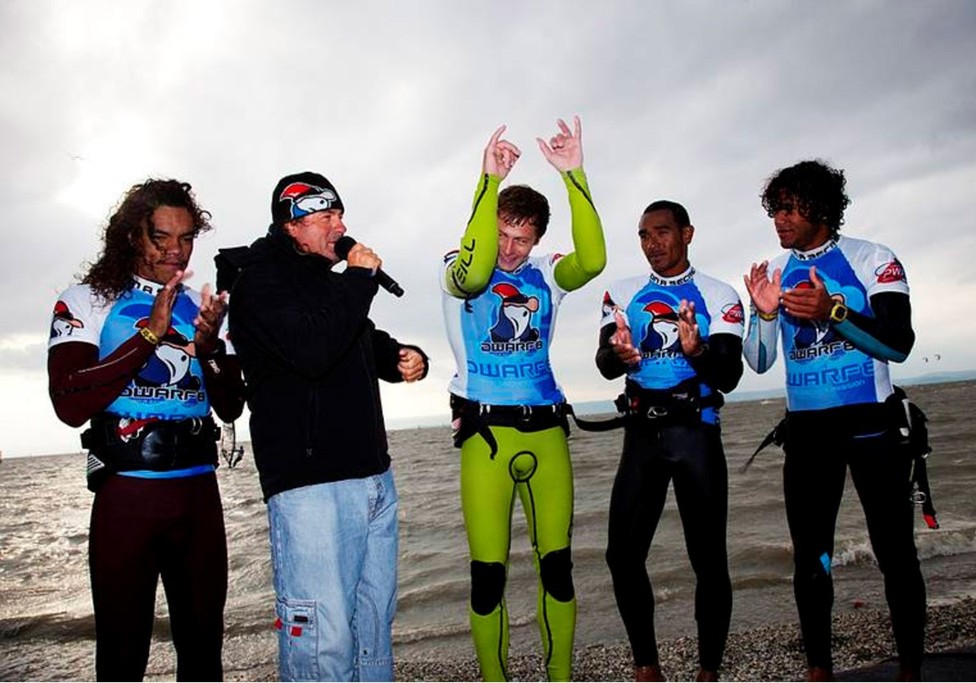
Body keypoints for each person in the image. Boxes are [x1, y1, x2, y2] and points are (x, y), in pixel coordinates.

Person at [224, 171, 428, 682]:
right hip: (311, 487)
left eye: (340, 214)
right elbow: (311, 349)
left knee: (372, 626)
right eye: (327, 216)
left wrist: (400, 356)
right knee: (323, 638)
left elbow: (353, 334)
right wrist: (360, 279)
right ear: (292, 224)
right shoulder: (257, 282)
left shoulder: (330, 284)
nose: (341, 225)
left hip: (372, 477)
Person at [47, 179, 245, 681]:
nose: (175, 251)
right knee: (121, 654)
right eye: (162, 238)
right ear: (134, 235)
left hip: (198, 494)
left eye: (186, 238)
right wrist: (149, 337)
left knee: (203, 652)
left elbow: (231, 406)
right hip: (127, 497)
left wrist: (211, 347)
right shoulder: (87, 300)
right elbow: (69, 401)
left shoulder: (205, 308)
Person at [742, 160, 925, 681]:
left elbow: (898, 343)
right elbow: (758, 361)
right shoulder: (778, 271)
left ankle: (910, 667)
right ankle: (818, 668)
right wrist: (766, 313)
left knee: (895, 552)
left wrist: (833, 312)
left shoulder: (873, 259)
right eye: (774, 209)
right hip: (808, 434)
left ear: (821, 207)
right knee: (810, 557)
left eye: (790, 207)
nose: (779, 219)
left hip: (872, 426)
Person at [440, 117, 606, 681]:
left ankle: (559, 679)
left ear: (536, 240)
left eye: (522, 239)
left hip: (546, 433)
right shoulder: (457, 267)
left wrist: (573, 174)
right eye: (503, 234)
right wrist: (485, 183)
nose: (509, 250)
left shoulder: (548, 276)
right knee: (488, 575)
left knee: (557, 568)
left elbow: (595, 259)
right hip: (485, 439)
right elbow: (476, 266)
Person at [596, 200, 744, 682]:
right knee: (621, 554)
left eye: (661, 232)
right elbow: (604, 363)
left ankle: (708, 671)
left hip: (695, 433)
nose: (651, 242)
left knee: (708, 560)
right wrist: (619, 355)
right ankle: (646, 667)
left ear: (687, 234)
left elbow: (729, 374)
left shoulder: (719, 296)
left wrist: (696, 349)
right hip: (642, 436)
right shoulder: (621, 293)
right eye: (643, 234)